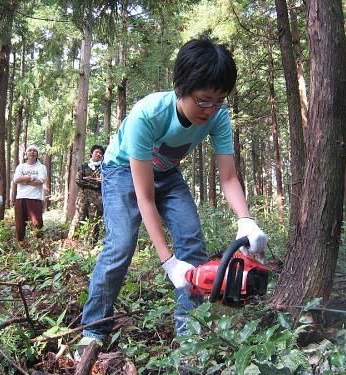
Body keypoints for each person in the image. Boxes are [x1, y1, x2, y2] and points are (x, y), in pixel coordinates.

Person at [76, 37, 268, 356]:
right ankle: (92, 331)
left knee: (192, 241)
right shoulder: (148, 115)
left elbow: (229, 176)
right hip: (123, 170)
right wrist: (167, 262)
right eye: (203, 101)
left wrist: (246, 220)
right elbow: (145, 197)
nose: (210, 110)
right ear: (181, 87)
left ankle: (189, 332)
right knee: (120, 245)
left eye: (219, 101)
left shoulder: (218, 116)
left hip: (167, 173)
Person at [68, 144, 104, 241]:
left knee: (95, 222)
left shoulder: (103, 169)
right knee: (78, 219)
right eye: (96, 152)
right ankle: (71, 242)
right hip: (82, 199)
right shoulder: (84, 166)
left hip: (97, 201)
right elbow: (79, 180)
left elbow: (102, 183)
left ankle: (92, 244)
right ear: (92, 153)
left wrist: (88, 180)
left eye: (100, 153)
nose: (98, 154)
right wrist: (95, 181)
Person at [13, 145, 47, 241]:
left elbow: (40, 181)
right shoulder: (20, 167)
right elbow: (16, 180)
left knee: (37, 224)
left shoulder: (41, 167)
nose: (32, 152)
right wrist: (31, 178)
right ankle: (20, 243)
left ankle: (39, 245)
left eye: (34, 151)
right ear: (26, 154)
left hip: (35, 198)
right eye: (30, 150)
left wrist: (25, 180)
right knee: (19, 223)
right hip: (20, 197)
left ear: (37, 154)